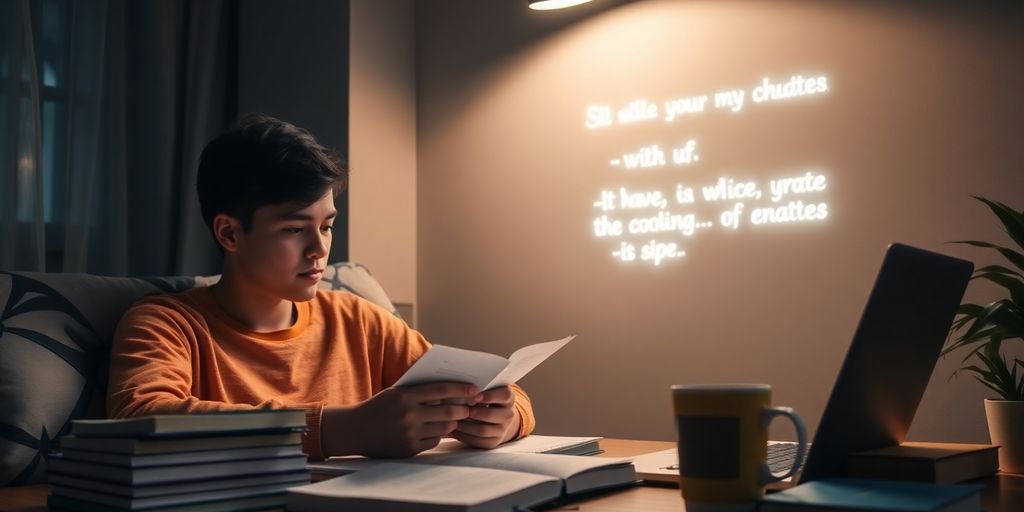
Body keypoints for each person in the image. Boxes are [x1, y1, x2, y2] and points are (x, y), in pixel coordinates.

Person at [106, 114, 535, 459]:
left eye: (327, 226)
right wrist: (334, 430)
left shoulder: (356, 318)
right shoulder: (165, 323)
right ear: (229, 234)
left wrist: (507, 417)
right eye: (295, 229)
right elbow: (140, 417)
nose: (319, 249)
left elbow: (494, 389)